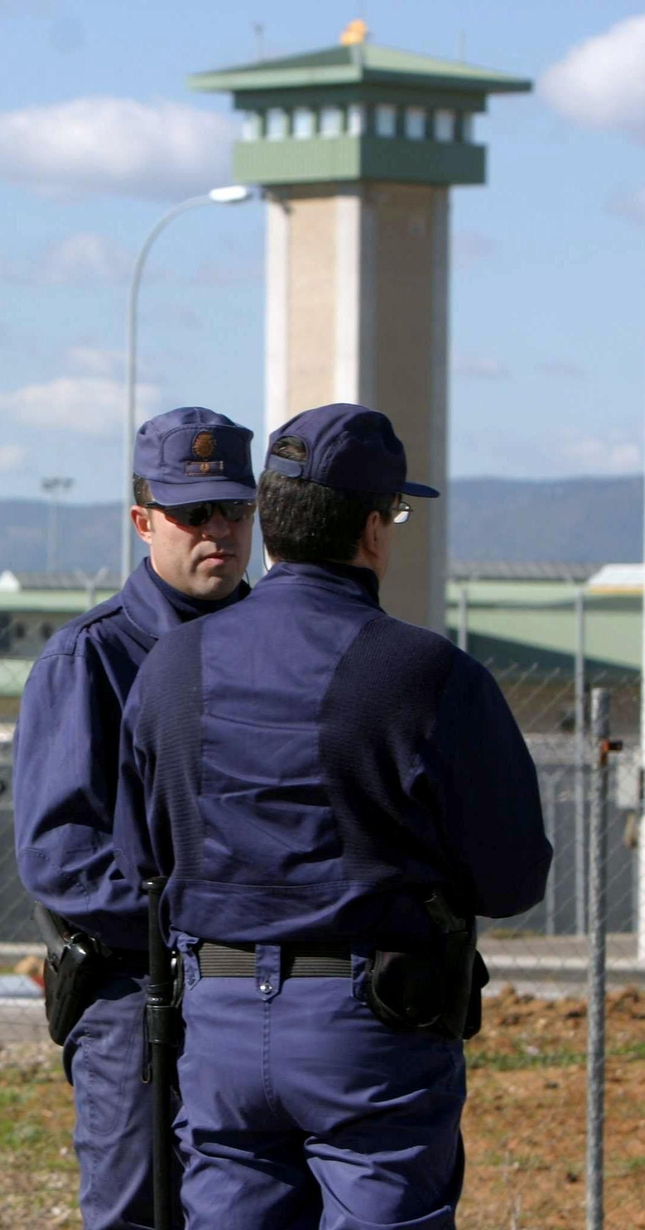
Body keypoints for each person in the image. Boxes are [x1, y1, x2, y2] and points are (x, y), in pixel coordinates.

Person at [112, 403, 552, 1230]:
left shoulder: (172, 666)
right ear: (375, 532)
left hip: (217, 1021)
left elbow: (146, 858)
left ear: (268, 525)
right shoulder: (428, 675)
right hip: (370, 1029)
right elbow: (512, 876)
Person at [14, 405, 258, 1230]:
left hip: (261, 992)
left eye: (234, 510)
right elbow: (62, 856)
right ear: (143, 520)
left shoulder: (281, 648)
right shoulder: (93, 658)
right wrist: (199, 917)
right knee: (134, 1214)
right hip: (136, 992)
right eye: (193, 514)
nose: (217, 532)